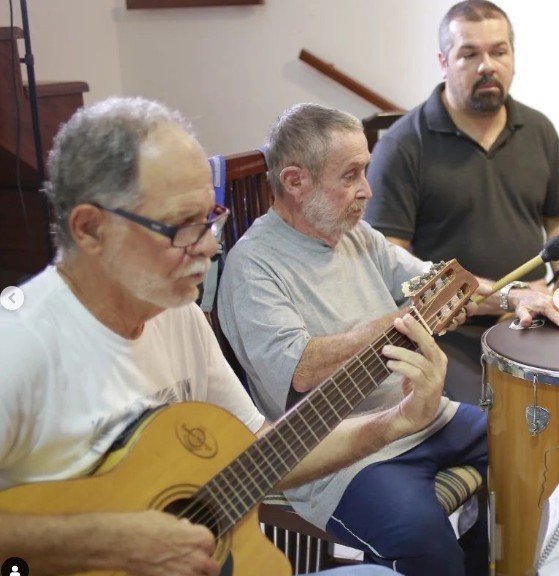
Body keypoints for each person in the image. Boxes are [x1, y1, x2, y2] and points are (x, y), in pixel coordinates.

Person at [0, 96, 441, 576]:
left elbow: (260, 451)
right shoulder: (19, 345)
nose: (211, 247)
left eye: (210, 218)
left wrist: (395, 421)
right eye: (183, 227)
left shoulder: (178, 315)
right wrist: (106, 542)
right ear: (91, 229)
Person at [217, 102, 559, 576]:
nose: (367, 190)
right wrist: (404, 319)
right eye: (350, 175)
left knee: (535, 443)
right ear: (295, 182)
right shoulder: (253, 266)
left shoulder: (356, 234)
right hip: (344, 455)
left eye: (366, 171)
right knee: (425, 546)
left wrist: (515, 297)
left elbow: (437, 285)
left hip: (423, 416)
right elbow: (301, 370)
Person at [364, 0, 559, 405]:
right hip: (450, 333)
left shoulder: (539, 129)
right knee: (496, 418)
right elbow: (387, 266)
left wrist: (552, 288)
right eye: (469, 53)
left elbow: (555, 227)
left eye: (498, 52)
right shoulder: (403, 146)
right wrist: (508, 294)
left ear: (513, 59)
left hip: (533, 315)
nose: (487, 65)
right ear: (444, 62)